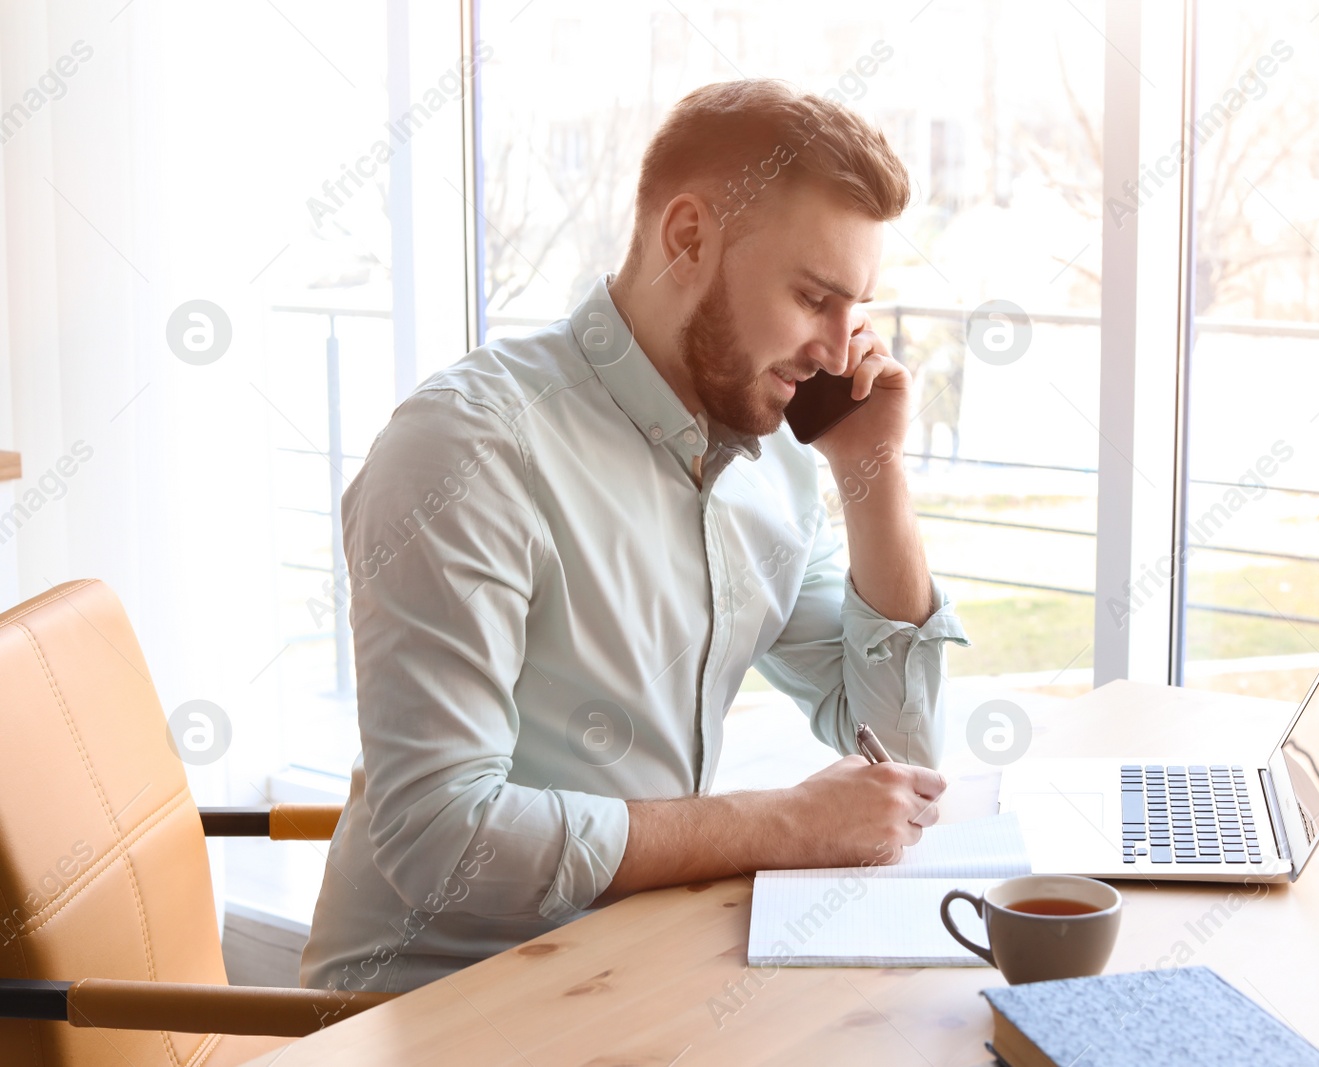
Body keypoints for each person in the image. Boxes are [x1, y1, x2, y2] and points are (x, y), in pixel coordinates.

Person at [300, 79, 969, 995]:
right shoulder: (467, 448)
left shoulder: (769, 461)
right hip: (436, 1004)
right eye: (815, 297)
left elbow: (900, 751)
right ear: (688, 238)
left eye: (854, 311)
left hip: (637, 970)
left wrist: (873, 472)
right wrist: (781, 824)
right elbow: (441, 840)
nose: (838, 348)